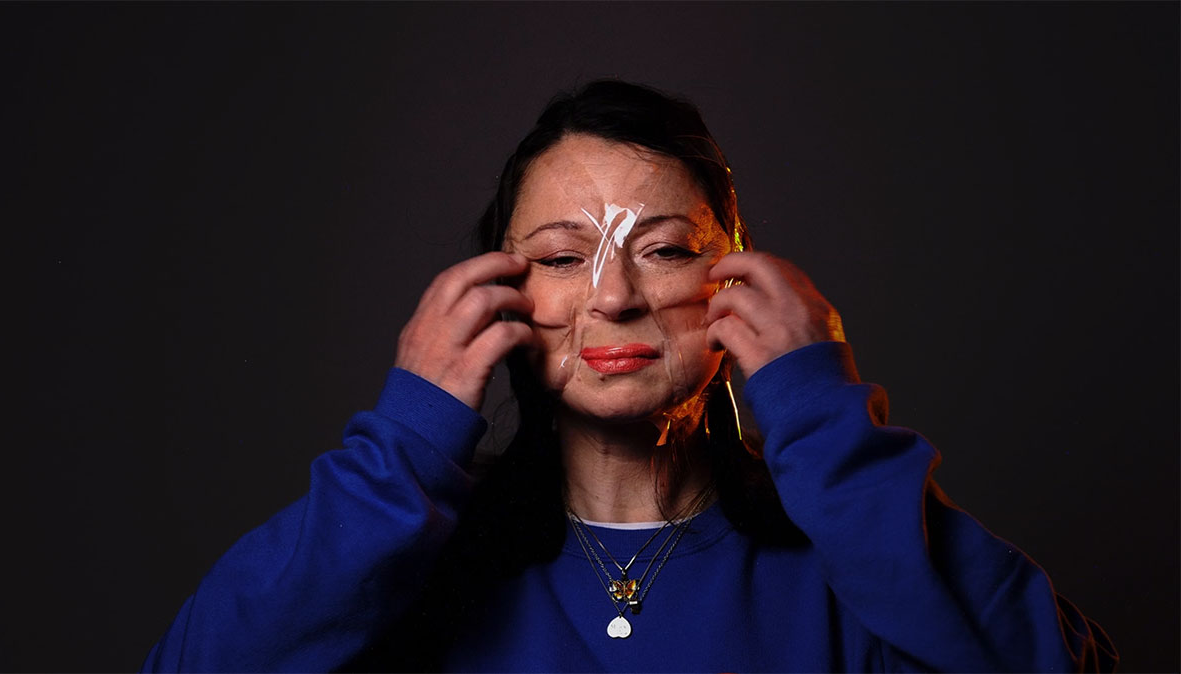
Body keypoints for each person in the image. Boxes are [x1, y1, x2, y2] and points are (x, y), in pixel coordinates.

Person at [142, 80, 1117, 672]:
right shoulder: (415, 571)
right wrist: (403, 444)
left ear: (736, 276)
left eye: (665, 250)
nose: (612, 296)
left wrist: (826, 424)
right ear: (502, 290)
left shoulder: (850, 566)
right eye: (562, 258)